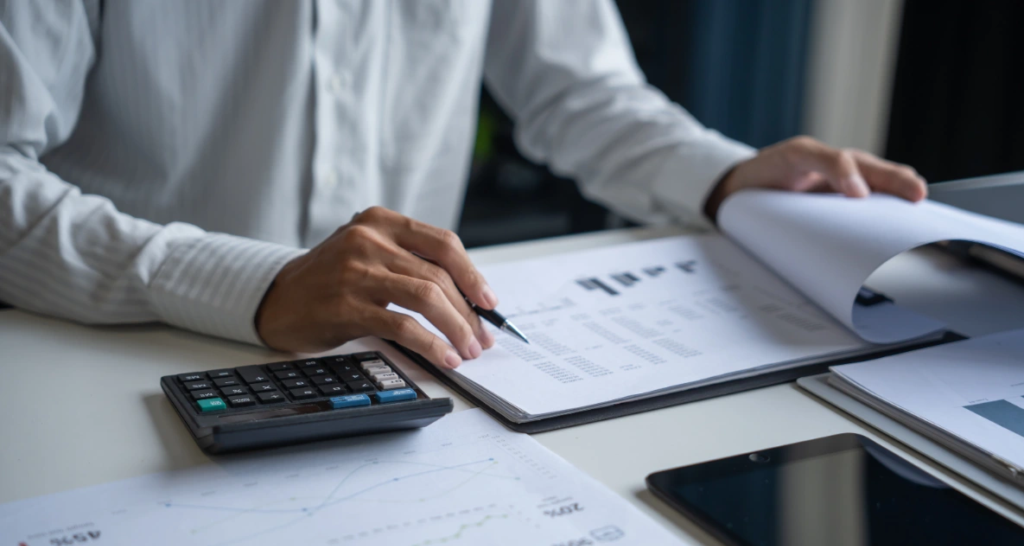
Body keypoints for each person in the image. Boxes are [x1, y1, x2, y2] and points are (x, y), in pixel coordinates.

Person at [0, 1, 926, 370]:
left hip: (412, 357)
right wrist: (258, 283)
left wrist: (726, 175)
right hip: (115, 346)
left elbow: (580, 91)